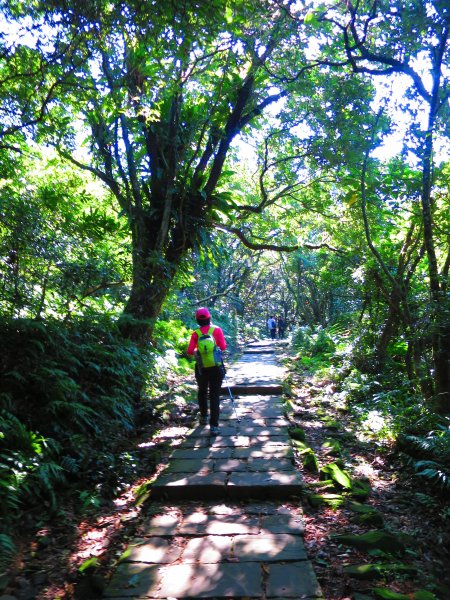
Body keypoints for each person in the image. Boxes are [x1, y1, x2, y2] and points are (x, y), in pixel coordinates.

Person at [187, 307, 227, 435]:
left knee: (202, 391)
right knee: (214, 395)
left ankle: (204, 417)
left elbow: (189, 351)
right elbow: (223, 347)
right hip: (216, 366)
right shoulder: (217, 330)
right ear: (209, 318)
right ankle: (214, 426)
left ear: (197, 320)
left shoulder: (195, 333)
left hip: (201, 368)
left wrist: (199, 351)